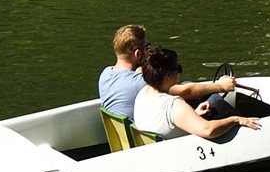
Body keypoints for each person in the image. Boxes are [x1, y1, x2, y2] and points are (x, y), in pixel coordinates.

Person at [98, 24, 234, 121]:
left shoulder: (105, 74)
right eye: (147, 47)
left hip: (136, 134)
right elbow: (186, 91)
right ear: (138, 53)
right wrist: (221, 86)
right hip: (155, 141)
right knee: (213, 100)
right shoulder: (141, 82)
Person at [131, 44, 261, 144]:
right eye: (178, 68)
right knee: (228, 113)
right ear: (168, 75)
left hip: (157, 150)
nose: (179, 72)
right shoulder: (174, 106)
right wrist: (236, 120)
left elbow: (163, 123)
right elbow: (208, 130)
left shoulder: (143, 93)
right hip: (179, 155)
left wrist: (193, 115)